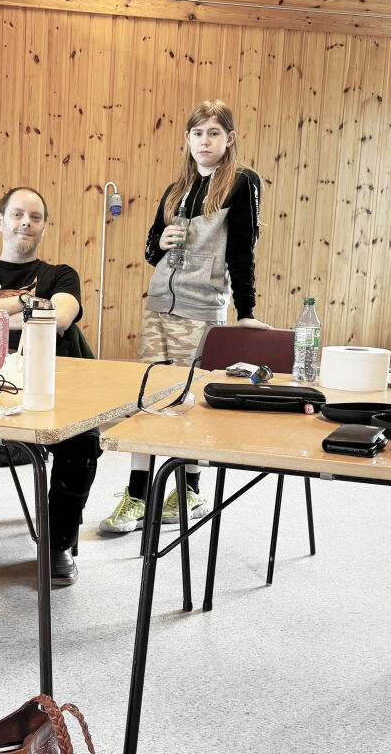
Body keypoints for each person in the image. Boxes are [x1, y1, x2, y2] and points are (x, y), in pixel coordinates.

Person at [100, 99, 271, 534]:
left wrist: (246, 312)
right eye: (198, 133)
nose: (205, 141)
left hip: (202, 309)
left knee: (188, 399)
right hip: (159, 307)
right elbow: (150, 251)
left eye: (214, 133)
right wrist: (165, 239)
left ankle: (189, 488)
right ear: (188, 139)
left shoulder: (241, 183)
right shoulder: (175, 189)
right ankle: (137, 494)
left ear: (229, 139)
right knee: (146, 398)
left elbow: (242, 252)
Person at [0, 186, 102, 586]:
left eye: (35, 216)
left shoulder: (61, 275)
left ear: (44, 227)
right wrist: (29, 306)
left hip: (48, 387)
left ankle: (57, 541)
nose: (25, 222)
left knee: (83, 442)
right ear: (0, 221)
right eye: (16, 214)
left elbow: (60, 319)